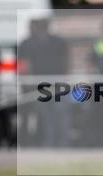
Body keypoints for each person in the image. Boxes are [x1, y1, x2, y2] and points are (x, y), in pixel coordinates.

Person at [18, 18, 71, 147]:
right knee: (46, 114)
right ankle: (50, 140)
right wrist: (28, 80)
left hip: (57, 82)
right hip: (40, 83)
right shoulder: (29, 43)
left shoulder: (58, 42)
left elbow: (66, 60)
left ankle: (63, 141)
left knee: (60, 112)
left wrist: (65, 77)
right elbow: (25, 63)